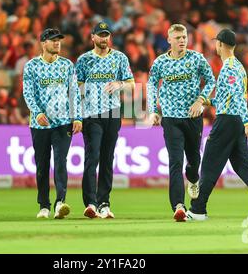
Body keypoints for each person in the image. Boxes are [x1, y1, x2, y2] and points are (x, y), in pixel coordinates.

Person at [188, 29, 248, 222]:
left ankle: (198, 209)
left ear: (220, 44)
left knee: (211, 161)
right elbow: (225, 98)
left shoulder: (229, 68)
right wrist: (205, 102)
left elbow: (238, 98)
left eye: (216, 43)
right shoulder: (237, 66)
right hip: (233, 119)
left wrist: (247, 122)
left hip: (228, 120)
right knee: (242, 165)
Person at [147, 23, 216, 222]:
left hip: (193, 118)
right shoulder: (160, 63)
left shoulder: (196, 58)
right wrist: (153, 111)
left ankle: (193, 179)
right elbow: (151, 85)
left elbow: (211, 80)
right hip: (170, 119)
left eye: (184, 37)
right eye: (178, 38)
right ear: (169, 40)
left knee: (194, 161)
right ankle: (178, 206)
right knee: (175, 162)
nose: (182, 41)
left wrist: (200, 100)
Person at [75, 22, 135, 219]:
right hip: (91, 115)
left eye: (106, 35)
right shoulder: (84, 60)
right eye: (100, 35)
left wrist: (119, 84)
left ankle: (104, 203)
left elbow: (131, 84)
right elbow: (77, 88)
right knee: (92, 157)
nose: (103, 38)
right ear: (92, 37)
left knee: (107, 158)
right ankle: (90, 203)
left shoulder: (119, 58)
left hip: (112, 113)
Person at [23, 28, 82, 220]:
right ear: (43, 43)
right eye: (52, 40)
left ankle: (60, 203)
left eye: (59, 40)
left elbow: (74, 93)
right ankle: (44, 205)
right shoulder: (31, 66)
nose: (57, 43)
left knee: (60, 162)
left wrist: (78, 117)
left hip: (63, 123)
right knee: (41, 166)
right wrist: (37, 112)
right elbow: (28, 93)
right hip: (39, 125)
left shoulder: (67, 65)